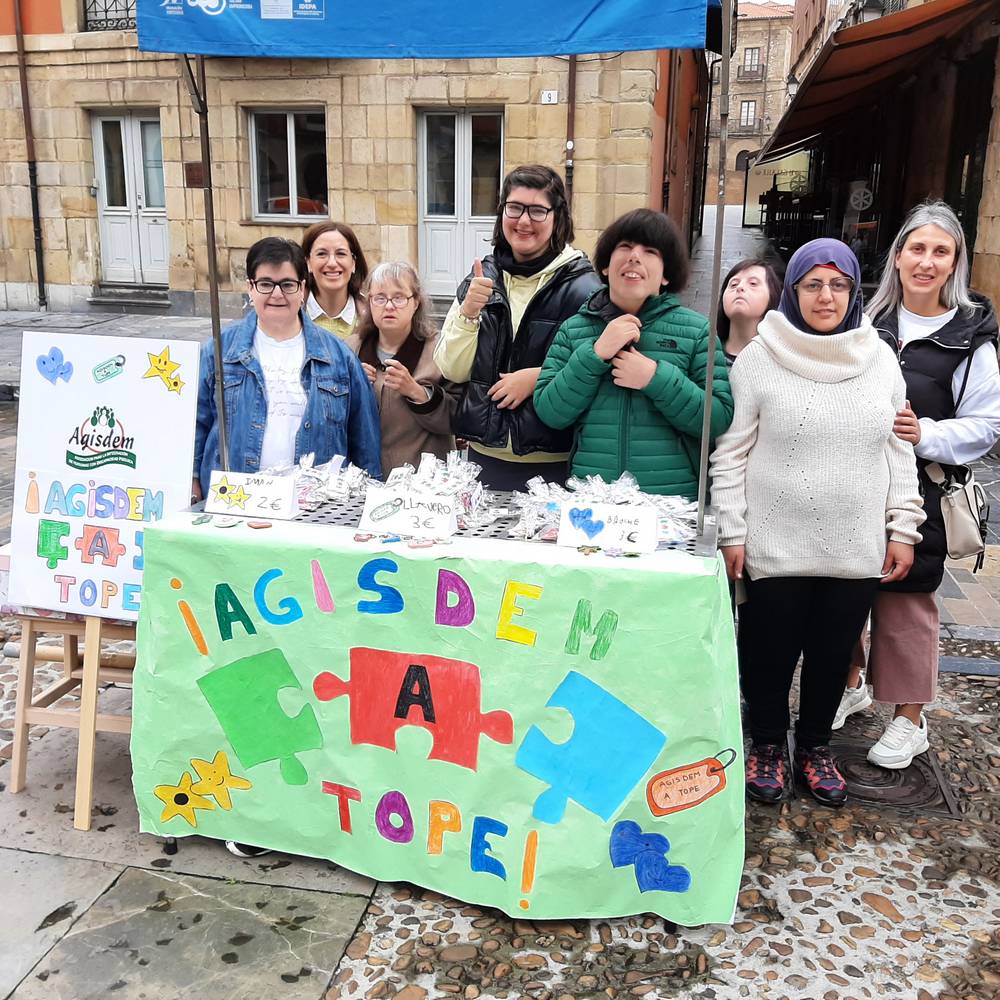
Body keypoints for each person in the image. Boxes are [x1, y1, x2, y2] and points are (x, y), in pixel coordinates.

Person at [711, 238, 925, 807]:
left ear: (855, 293)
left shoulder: (878, 358)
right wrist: (732, 529)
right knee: (767, 653)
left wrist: (904, 526)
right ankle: (764, 746)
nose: (825, 296)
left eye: (838, 285)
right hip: (774, 541)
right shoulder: (762, 355)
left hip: (852, 543)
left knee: (833, 656)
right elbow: (731, 451)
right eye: (812, 284)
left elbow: (896, 449)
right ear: (794, 291)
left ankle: (813, 746)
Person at [833, 201, 1000, 768]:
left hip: (924, 487)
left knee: (907, 603)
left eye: (941, 251)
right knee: (847, 588)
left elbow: (986, 425)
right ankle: (852, 682)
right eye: (917, 248)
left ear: (955, 263)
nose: (926, 262)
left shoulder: (972, 336)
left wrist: (925, 432)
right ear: (898, 255)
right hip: (853, 478)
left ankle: (910, 717)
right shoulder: (864, 323)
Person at [534, 209, 733, 497]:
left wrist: (655, 378)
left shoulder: (696, 331)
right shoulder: (573, 329)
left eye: (650, 251)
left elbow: (717, 419)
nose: (634, 256)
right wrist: (595, 354)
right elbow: (551, 411)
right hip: (592, 499)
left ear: (666, 275)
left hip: (671, 502)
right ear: (604, 266)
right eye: (625, 246)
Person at [434, 164, 601, 490]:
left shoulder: (586, 288)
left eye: (538, 211)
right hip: (483, 458)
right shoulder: (483, 276)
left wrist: (539, 378)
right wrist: (468, 313)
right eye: (515, 208)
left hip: (554, 462)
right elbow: (452, 370)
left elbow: (598, 369)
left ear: (558, 217)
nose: (524, 221)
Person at [193, 236, 381, 501]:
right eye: (266, 284)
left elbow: (365, 439)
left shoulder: (339, 357)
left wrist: (368, 497)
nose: (277, 294)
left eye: (287, 284)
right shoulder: (219, 352)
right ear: (250, 287)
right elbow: (195, 424)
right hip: (233, 502)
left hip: (316, 506)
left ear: (302, 288)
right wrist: (190, 481)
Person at [347, 261, 458, 473]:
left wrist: (416, 392)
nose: (389, 306)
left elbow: (458, 419)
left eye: (398, 298)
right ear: (369, 302)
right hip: (362, 480)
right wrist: (352, 388)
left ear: (416, 302)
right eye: (380, 298)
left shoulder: (441, 351)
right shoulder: (349, 350)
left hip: (423, 484)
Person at [302, 221, 368, 339]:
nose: (332, 263)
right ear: (308, 263)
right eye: (322, 254)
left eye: (340, 254)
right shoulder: (290, 315)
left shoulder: (373, 318)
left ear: (353, 263)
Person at [717, 257, 783, 362]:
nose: (740, 287)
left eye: (753, 283)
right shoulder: (703, 351)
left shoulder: (782, 359)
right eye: (733, 284)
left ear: (772, 296)